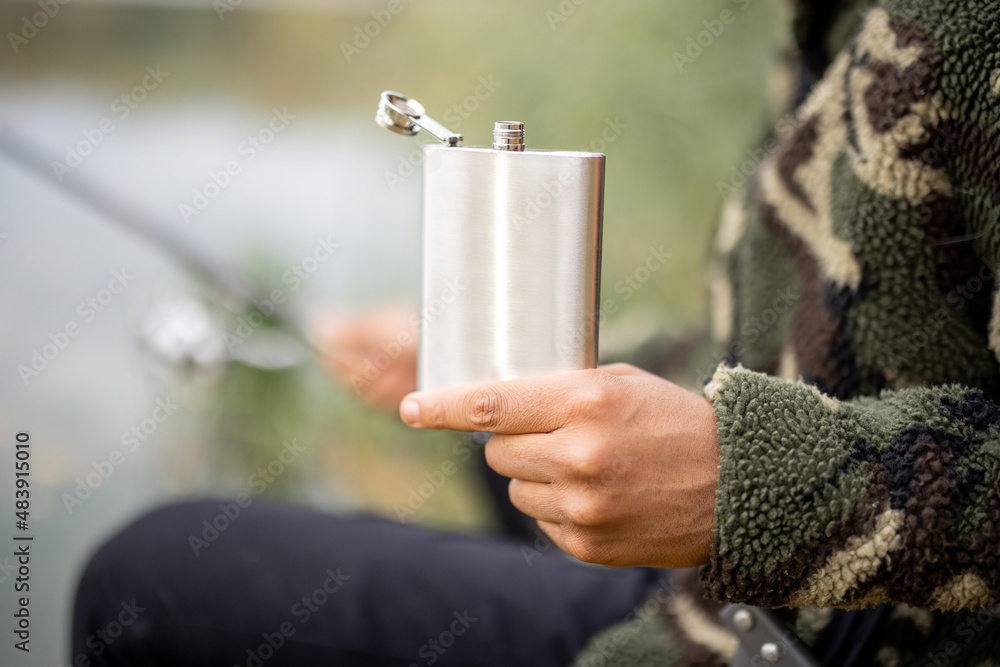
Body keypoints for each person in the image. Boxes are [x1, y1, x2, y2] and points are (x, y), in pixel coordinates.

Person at [72, 0, 1000, 664]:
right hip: (762, 583)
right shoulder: (827, 27)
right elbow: (795, 356)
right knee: (494, 451)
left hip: (806, 628)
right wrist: (488, 351)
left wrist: (744, 481)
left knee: (148, 581)